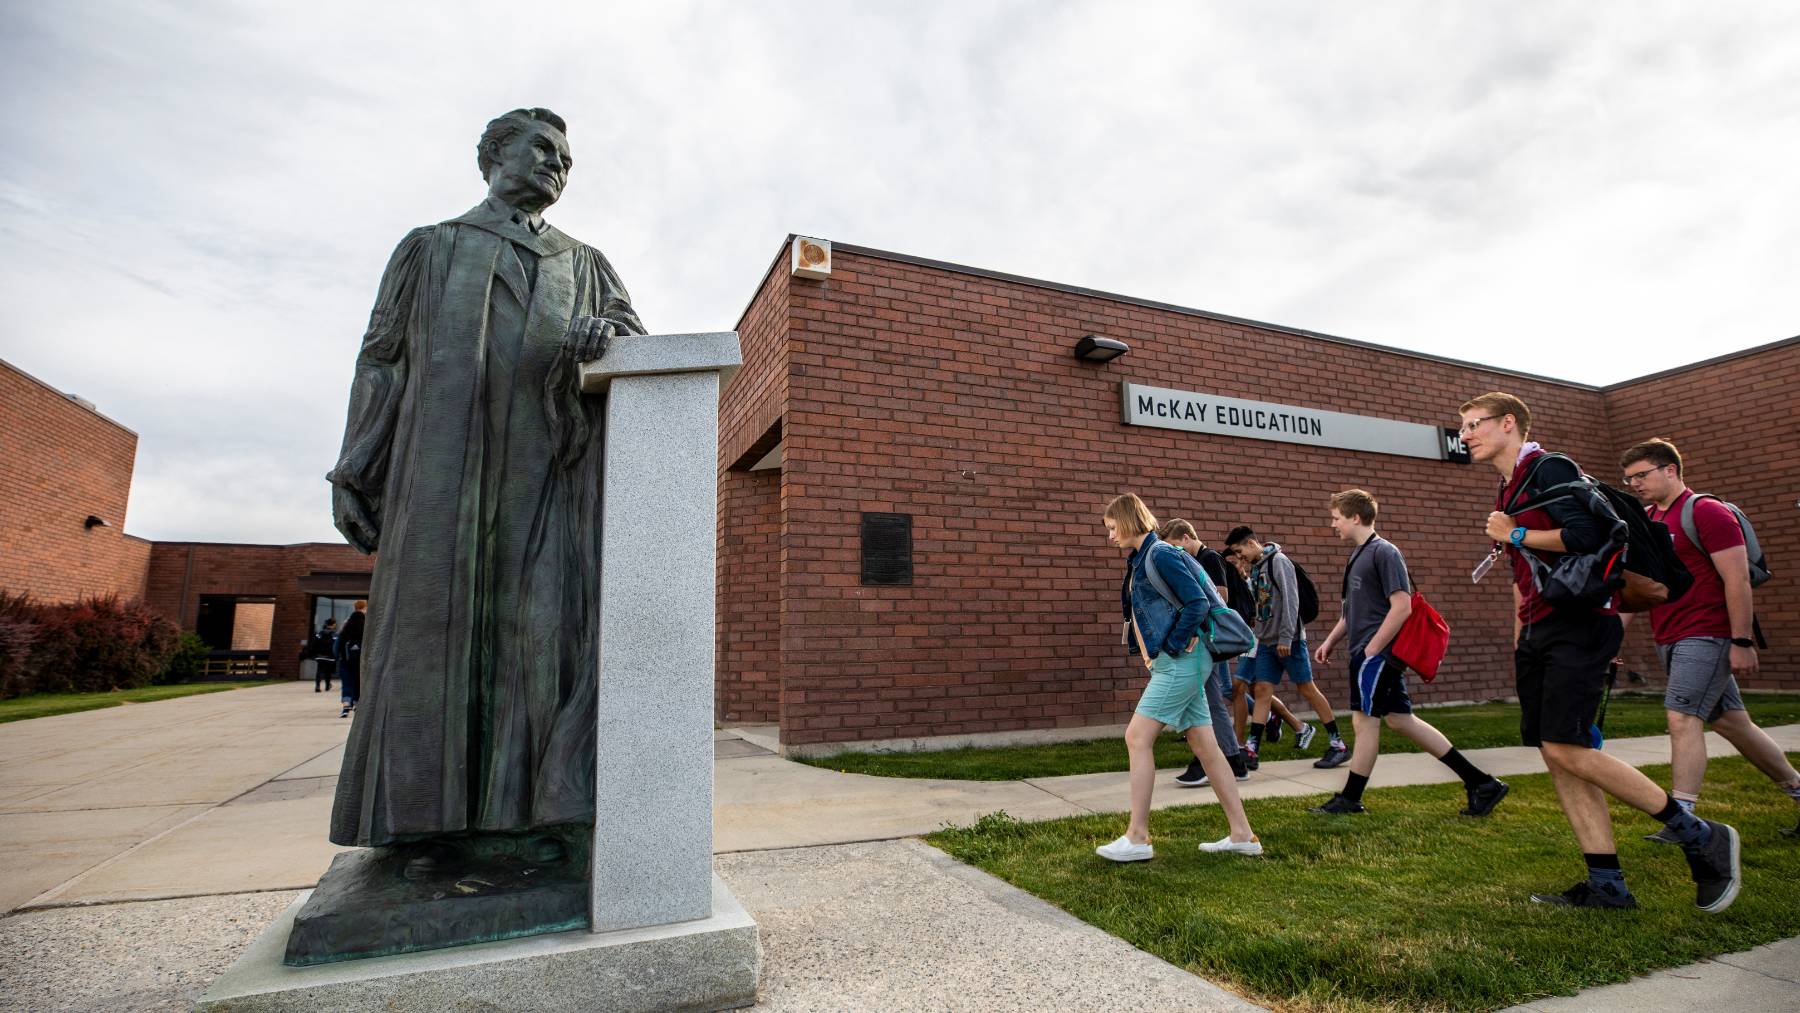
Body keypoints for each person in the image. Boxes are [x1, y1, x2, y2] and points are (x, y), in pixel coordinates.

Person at [326, 107, 645, 858]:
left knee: (540, 635)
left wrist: (608, 336)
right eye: (543, 149)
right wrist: (357, 463)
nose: (557, 166)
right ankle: (419, 831)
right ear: (493, 155)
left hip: (548, 476)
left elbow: (638, 345)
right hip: (445, 469)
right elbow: (383, 359)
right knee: (428, 635)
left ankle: (533, 820)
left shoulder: (584, 264)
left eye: (567, 159)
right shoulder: (433, 249)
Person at [1461, 392, 1739, 911]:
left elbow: (1593, 534)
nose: (1466, 434)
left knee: (1567, 747)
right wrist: (1521, 622)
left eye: (1475, 424)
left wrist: (1515, 531)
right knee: (1558, 753)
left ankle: (1700, 835)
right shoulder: (1512, 482)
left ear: (1508, 424)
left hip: (1579, 624)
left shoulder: (1547, 467)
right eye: (1463, 427)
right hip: (1543, 629)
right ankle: (1607, 884)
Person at [1618, 439, 1800, 839]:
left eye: (1642, 475)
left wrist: (1741, 640)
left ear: (1671, 470)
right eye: (1630, 478)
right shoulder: (1646, 519)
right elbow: (1640, 587)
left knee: (1682, 717)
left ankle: (1682, 818)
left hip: (1707, 632)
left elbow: (1737, 580)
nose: (1635, 484)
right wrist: (1611, 636)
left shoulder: (1707, 512)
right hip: (1669, 633)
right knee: (1734, 724)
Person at [1309, 489, 1509, 816]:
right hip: (1368, 654)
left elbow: (1401, 606)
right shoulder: (1357, 555)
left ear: (1355, 517)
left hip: (1377, 656)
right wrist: (1331, 640)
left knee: (1365, 723)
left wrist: (1373, 649)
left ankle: (1349, 799)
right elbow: (1352, 612)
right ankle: (1481, 783)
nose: (1333, 525)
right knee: (1402, 722)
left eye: (1336, 518)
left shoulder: (1384, 552)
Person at [1097, 494, 1261, 861]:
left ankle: (1137, 838)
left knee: (1136, 737)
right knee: (1206, 746)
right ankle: (1242, 835)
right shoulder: (1140, 559)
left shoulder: (1161, 554)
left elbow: (1198, 603)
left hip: (1182, 662)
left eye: (1111, 528)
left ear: (1127, 520)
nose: (1109, 536)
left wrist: (1173, 644)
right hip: (1177, 663)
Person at [1224, 526, 1349, 770]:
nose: (1240, 558)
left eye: (1240, 552)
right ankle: (1252, 750)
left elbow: (1292, 600)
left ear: (1251, 543)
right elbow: (1263, 603)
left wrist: (1285, 637)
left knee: (1307, 688)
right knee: (1262, 691)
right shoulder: (1258, 567)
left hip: (1288, 641)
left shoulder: (1279, 561)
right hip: (1267, 642)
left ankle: (1338, 745)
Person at [1156, 520, 1253, 787]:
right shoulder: (1201, 558)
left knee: (1207, 700)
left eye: (1176, 547)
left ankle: (1212, 760)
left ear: (1187, 538)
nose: (1174, 553)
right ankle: (1233, 761)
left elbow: (1218, 598)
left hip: (1208, 640)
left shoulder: (1208, 559)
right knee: (1209, 699)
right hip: (1204, 640)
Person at [336, 600, 366, 719]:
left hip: (346, 658)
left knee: (346, 682)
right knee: (358, 681)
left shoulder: (347, 623)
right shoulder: (367, 623)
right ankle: (357, 703)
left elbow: (338, 643)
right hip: (360, 659)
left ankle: (346, 705)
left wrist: (338, 655)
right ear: (364, 607)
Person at [309, 619, 338, 693]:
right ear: (333, 624)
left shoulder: (320, 633)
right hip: (330, 656)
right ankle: (327, 686)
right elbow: (336, 645)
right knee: (328, 671)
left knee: (319, 671)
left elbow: (314, 643)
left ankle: (317, 686)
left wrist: (314, 653)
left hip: (320, 655)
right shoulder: (334, 634)